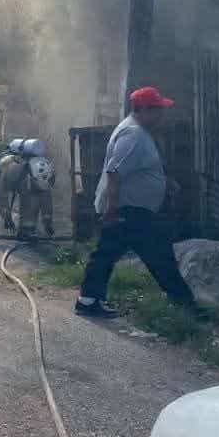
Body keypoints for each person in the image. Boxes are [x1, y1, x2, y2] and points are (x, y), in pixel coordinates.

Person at [75, 86, 197, 319]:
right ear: (143, 110)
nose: (162, 115)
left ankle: (88, 301)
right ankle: (186, 304)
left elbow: (136, 168)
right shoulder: (133, 134)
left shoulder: (139, 131)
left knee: (110, 254)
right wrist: (112, 210)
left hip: (130, 208)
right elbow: (115, 172)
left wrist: (164, 181)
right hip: (126, 209)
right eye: (158, 110)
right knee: (157, 254)